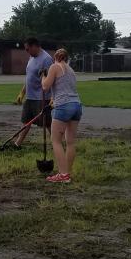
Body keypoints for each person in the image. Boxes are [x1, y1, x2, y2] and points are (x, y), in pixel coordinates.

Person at [40, 47, 82, 183]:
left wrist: (43, 77)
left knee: (56, 141)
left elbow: (46, 86)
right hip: (76, 105)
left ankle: (63, 175)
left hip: (63, 106)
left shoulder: (54, 66)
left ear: (56, 58)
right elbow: (64, 88)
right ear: (67, 58)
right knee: (70, 142)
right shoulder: (71, 71)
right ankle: (66, 172)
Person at [11, 37, 53, 149]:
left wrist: (52, 98)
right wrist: (22, 93)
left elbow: (50, 80)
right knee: (26, 121)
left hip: (41, 98)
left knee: (47, 123)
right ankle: (17, 144)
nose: (26, 51)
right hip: (30, 97)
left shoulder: (46, 59)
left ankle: (58, 144)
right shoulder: (31, 58)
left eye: (28, 49)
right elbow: (29, 78)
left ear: (35, 46)